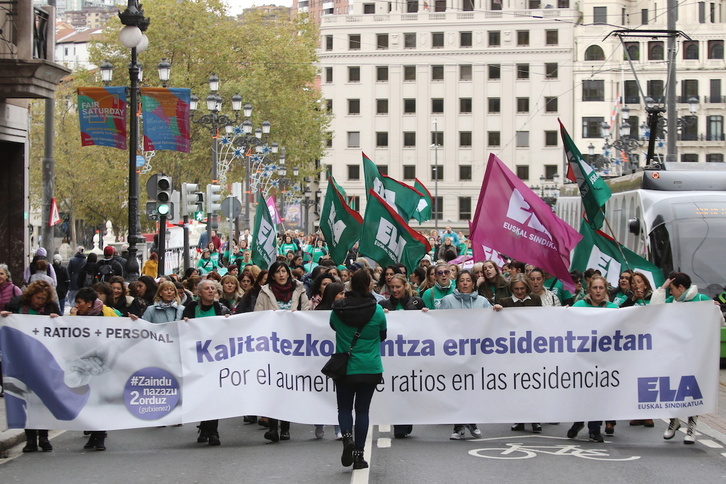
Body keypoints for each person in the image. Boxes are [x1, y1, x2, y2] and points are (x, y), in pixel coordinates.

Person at [330, 269, 387, 469]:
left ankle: (347, 438)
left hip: (345, 368)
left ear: (351, 285)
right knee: (362, 411)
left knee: (344, 408)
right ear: (369, 285)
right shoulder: (378, 310)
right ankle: (359, 456)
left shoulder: (337, 309)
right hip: (369, 367)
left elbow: (334, 327)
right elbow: (382, 335)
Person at [651, 271, 713, 444]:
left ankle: (692, 426)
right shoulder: (671, 302)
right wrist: (662, 289)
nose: (670, 293)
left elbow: (719, 322)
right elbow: (653, 311)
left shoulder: (701, 300)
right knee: (673, 388)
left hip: (695, 354)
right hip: (673, 353)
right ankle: (674, 421)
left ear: (681, 287)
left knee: (691, 390)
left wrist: (713, 310)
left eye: (671, 288)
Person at [1, 280, 60, 452]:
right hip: (21, 361)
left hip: (43, 362)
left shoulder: (51, 308)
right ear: (31, 295)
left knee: (42, 399)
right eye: (37, 298)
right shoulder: (16, 305)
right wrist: (5, 316)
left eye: (43, 298)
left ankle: (43, 436)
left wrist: (56, 321)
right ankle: (30, 439)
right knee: (26, 398)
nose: (39, 301)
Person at [255, 261, 310, 441]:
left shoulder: (299, 289)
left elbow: (307, 311)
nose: (281, 275)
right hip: (272, 345)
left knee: (288, 385)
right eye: (277, 272)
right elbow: (257, 316)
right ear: (272, 275)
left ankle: (286, 426)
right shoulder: (265, 292)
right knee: (273, 385)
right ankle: (273, 427)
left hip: (293, 345)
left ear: (288, 273)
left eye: (284, 271)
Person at [567, 275, 617, 443]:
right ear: (589, 289)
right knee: (582, 393)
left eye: (601, 288)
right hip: (583, 358)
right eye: (594, 288)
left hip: (603, 360)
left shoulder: (613, 309)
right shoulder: (579, 306)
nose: (597, 291)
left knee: (598, 395)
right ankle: (579, 421)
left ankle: (594, 430)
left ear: (605, 290)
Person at [70, 286, 119, 450]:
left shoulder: (106, 313)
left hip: (102, 364)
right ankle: (93, 435)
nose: (77, 306)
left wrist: (132, 320)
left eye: (80, 303)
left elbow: (121, 327)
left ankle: (99, 437)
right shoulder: (76, 316)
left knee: (99, 400)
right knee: (88, 401)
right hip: (84, 365)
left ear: (90, 304)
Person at [183, 280, 231, 446]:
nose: (211, 291)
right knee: (201, 393)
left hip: (216, 358)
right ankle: (204, 426)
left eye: (213, 288)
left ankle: (213, 431)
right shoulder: (191, 308)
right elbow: (182, 328)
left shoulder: (221, 308)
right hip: (197, 357)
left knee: (213, 393)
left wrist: (228, 321)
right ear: (199, 292)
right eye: (207, 289)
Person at [378, 274, 426, 438]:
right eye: (392, 287)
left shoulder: (417, 302)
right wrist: (380, 314)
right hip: (391, 355)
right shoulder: (383, 304)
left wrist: (426, 314)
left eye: (398, 287)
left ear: (405, 286)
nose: (395, 290)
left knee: (409, 388)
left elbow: (426, 326)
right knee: (395, 389)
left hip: (412, 353)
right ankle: (398, 423)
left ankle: (407, 420)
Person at [497, 275, 543, 432]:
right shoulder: (505, 302)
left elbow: (544, 319)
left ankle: (535, 418)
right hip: (514, 350)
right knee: (517, 385)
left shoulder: (535, 299)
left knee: (533, 385)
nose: (519, 292)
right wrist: (497, 311)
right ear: (511, 289)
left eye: (522, 289)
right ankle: (518, 418)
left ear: (527, 288)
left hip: (532, 348)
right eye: (516, 289)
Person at [313, 281, 346, 440]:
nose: (344, 296)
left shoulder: (346, 311)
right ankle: (319, 423)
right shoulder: (318, 312)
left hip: (337, 356)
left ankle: (338, 428)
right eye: (341, 294)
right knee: (321, 394)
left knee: (337, 396)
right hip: (320, 356)